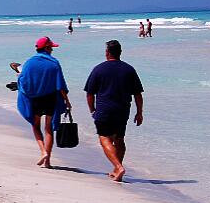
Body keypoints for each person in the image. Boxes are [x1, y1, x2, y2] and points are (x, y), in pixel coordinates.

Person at [84, 40, 143, 182]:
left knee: (104, 138)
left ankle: (118, 166)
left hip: (104, 109)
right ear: (120, 53)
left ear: (107, 53)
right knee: (119, 139)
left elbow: (90, 93)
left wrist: (92, 110)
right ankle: (117, 170)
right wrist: (139, 112)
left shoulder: (98, 69)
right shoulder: (129, 69)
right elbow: (138, 94)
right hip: (123, 110)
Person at [17, 37, 71, 168]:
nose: (52, 50)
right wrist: (67, 101)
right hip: (50, 99)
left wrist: (18, 78)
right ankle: (47, 161)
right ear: (46, 48)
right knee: (49, 129)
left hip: (35, 100)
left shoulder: (29, 63)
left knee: (36, 126)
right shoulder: (54, 63)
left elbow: (23, 82)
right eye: (51, 47)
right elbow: (60, 86)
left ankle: (43, 151)